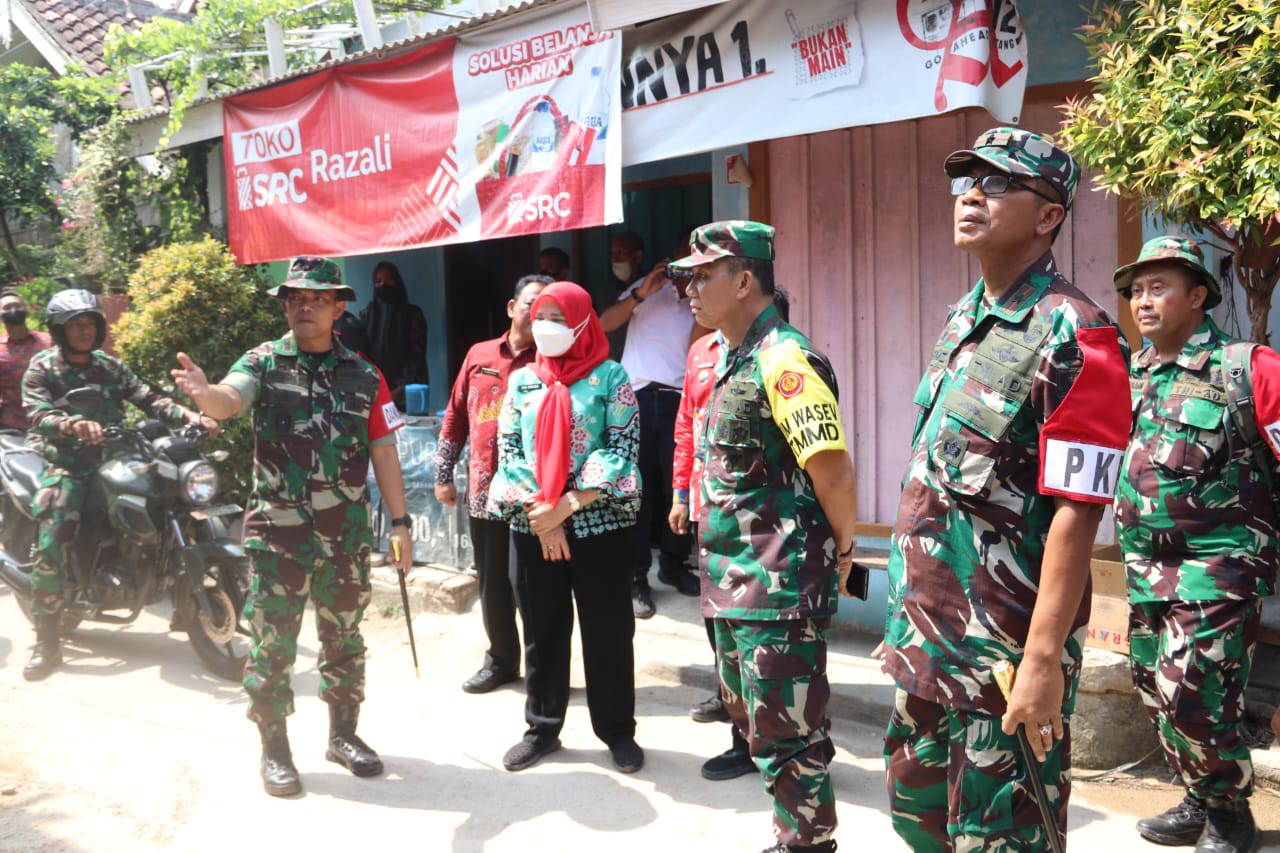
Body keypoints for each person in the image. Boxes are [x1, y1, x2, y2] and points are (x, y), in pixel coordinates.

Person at [882, 128, 1131, 851]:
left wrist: (1043, 660)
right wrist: (905, 613)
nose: (971, 196)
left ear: (1049, 214)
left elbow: (1078, 512)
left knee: (1002, 837)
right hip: (927, 638)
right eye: (967, 181)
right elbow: (934, 481)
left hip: (1003, 654)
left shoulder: (1079, 334)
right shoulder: (965, 319)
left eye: (996, 184)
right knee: (919, 821)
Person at [170, 256, 413, 798]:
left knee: (344, 638)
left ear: (338, 306)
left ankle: (343, 736)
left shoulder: (365, 375)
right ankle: (275, 748)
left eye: (318, 298)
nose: (305, 306)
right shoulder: (261, 362)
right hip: (278, 536)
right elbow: (230, 400)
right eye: (296, 298)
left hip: (344, 536)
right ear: (285, 305)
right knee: (273, 644)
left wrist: (400, 522)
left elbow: (385, 451)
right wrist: (204, 393)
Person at [673, 221, 858, 853]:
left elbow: (830, 468)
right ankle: (794, 834)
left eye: (702, 275)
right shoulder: (733, 357)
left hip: (778, 586)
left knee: (789, 738)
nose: (689, 289)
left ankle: (808, 844)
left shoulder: (784, 362)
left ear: (745, 279)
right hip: (734, 582)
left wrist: (843, 552)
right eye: (687, 277)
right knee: (758, 725)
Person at [1113, 235, 1280, 853]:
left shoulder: (1246, 368)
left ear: (1198, 295)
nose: (1143, 301)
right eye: (1136, 291)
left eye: (1159, 288)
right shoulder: (1134, 371)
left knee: (1195, 696)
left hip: (1220, 567)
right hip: (1144, 568)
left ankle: (1231, 816)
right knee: (1157, 691)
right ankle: (1200, 795)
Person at [486, 280, 643, 775]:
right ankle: (542, 726)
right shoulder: (523, 382)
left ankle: (617, 730)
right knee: (542, 627)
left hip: (597, 526)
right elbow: (510, 452)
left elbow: (620, 450)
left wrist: (567, 507)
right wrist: (545, 518)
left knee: (608, 631)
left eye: (557, 318)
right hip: (535, 525)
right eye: (540, 317)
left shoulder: (610, 377)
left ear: (581, 321)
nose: (545, 327)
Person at [20, 289, 215, 681]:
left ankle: (175, 590)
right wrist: (71, 424)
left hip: (117, 457)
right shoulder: (43, 367)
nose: (84, 332)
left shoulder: (109, 366)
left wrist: (190, 414)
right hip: (66, 463)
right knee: (54, 536)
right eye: (75, 326)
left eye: (90, 324)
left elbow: (147, 396)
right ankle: (48, 641)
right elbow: (36, 411)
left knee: (168, 500)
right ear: (59, 330)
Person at [671, 287, 793, 784]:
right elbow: (686, 425)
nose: (696, 295)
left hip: (763, 526)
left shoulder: (782, 358)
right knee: (721, 632)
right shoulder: (702, 352)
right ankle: (741, 731)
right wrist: (681, 494)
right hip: (710, 514)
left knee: (769, 644)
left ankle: (787, 745)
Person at [435, 273, 550, 694]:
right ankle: (501, 659)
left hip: (536, 499)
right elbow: (455, 417)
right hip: (485, 493)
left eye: (545, 308)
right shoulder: (479, 354)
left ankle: (545, 672)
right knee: (493, 583)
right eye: (529, 304)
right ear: (511, 307)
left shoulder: (552, 360)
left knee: (535, 589)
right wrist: (443, 474)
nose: (535, 314)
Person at [601, 230, 705, 619]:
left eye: (691, 262)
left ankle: (675, 565)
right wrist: (645, 291)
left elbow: (701, 347)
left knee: (676, 488)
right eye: (678, 257)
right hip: (637, 400)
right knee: (637, 489)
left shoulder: (702, 301)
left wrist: (692, 295)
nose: (682, 267)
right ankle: (636, 575)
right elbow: (604, 322)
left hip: (680, 398)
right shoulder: (643, 292)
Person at [358, 260, 429, 410]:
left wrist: (399, 389)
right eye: (378, 281)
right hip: (374, 393)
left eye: (388, 280)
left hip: (408, 395)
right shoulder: (366, 315)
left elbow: (417, 356)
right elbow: (362, 356)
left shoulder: (412, 314)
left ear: (397, 281)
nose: (383, 285)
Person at [0, 288, 52, 432]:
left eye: (17, 306)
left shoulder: (49, 341)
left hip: (49, 422)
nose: (13, 310)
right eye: (7, 307)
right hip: (10, 427)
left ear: (27, 310)